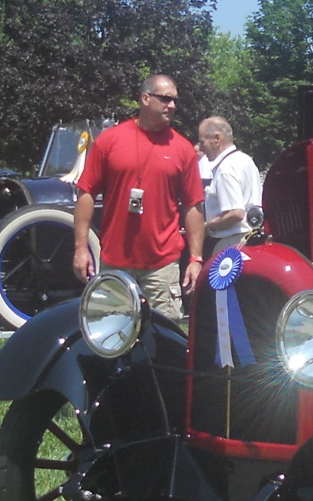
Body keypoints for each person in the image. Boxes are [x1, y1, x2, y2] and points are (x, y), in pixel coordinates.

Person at [73, 75, 205, 324]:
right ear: (145, 99)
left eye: (175, 100)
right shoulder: (110, 140)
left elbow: (193, 205)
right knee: (112, 336)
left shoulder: (183, 148)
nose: (172, 105)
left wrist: (196, 258)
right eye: (165, 99)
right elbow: (86, 192)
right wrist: (81, 248)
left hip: (162, 265)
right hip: (115, 263)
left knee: (165, 338)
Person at [196, 116, 260, 258]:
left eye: (202, 142)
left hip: (230, 244)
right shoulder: (246, 160)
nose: (200, 148)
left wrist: (206, 227)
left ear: (217, 139)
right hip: (251, 240)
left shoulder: (226, 169)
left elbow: (235, 213)